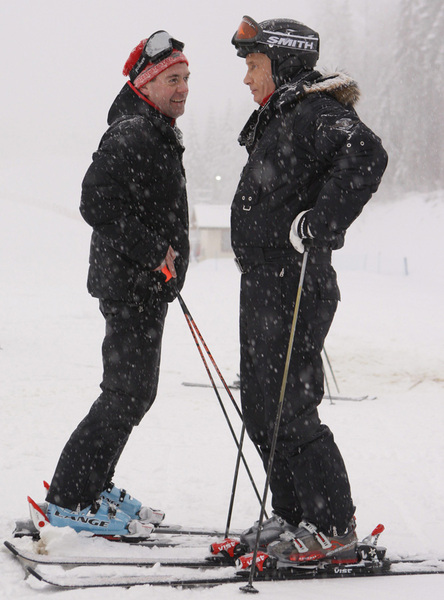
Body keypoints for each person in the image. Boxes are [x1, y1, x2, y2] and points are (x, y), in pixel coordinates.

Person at [230, 16, 388, 563]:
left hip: (296, 282)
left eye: (254, 65)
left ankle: (334, 528)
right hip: (265, 282)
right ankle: (296, 514)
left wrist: (322, 223)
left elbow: (368, 154)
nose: (248, 78)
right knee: (260, 404)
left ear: (284, 61)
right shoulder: (283, 115)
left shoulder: (315, 111)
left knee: (290, 406)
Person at [44, 31, 190, 538]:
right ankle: (69, 497)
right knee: (125, 393)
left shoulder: (153, 127)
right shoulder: (132, 132)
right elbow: (95, 202)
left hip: (145, 286)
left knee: (133, 392)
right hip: (130, 286)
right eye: (173, 79)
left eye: (187, 78)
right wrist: (154, 252)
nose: (183, 88)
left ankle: (93, 485)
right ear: (148, 83)